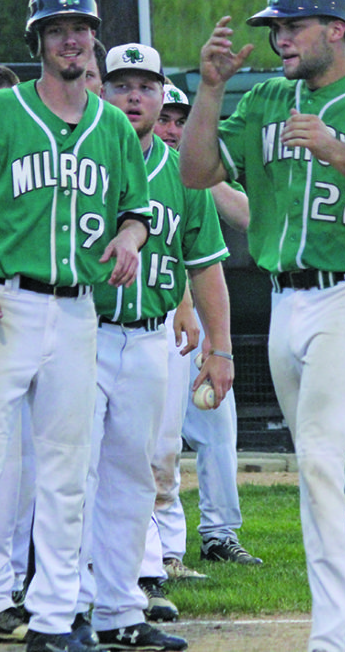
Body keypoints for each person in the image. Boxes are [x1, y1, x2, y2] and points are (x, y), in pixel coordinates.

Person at [178, 0, 345, 652]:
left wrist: (335, 150)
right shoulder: (267, 99)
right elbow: (196, 172)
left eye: (292, 25)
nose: (280, 37)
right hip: (286, 299)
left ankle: (333, 639)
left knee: (324, 458)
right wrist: (209, 91)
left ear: (337, 27)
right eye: (275, 27)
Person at [0, 0, 150, 652]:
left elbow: (136, 210)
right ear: (38, 41)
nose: (71, 39)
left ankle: (55, 616)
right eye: (57, 30)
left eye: (80, 28)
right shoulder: (0, 112)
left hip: (79, 310)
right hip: (8, 303)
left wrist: (130, 238)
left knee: (66, 468)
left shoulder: (112, 123)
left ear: (93, 39)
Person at [76, 42, 235, 652]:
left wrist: (219, 349)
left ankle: (121, 605)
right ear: (102, 91)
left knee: (135, 475)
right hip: (82, 331)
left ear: (163, 97)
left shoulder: (183, 174)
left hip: (148, 337)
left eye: (146, 85)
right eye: (121, 84)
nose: (134, 96)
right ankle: (72, 601)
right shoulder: (80, 158)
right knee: (75, 472)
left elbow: (206, 267)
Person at [147, 84, 259, 585]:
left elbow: (248, 217)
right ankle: (154, 547)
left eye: (180, 121)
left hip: (200, 330)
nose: (172, 129)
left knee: (218, 431)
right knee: (155, 446)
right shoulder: (128, 170)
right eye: (166, 119)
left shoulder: (192, 177)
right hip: (153, 325)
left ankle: (218, 535)